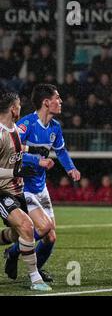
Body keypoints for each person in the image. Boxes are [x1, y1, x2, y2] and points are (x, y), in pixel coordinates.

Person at [4, 84, 81, 283]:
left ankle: (33, 267)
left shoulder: (55, 127)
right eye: (58, 98)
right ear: (47, 102)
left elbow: (61, 151)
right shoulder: (25, 125)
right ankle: (14, 254)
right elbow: (14, 153)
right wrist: (37, 160)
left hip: (41, 187)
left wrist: (71, 168)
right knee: (45, 227)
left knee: (51, 237)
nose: (61, 101)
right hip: (24, 187)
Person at [0, 92, 52, 291]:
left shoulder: (14, 129)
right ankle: (35, 279)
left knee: (36, 229)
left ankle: (12, 255)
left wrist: (33, 151)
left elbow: (15, 150)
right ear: (13, 108)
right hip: (2, 192)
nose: (21, 108)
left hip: (18, 190)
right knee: (27, 226)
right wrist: (16, 171)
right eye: (19, 105)